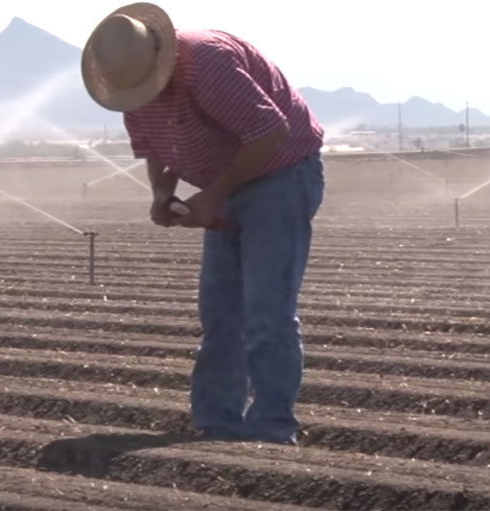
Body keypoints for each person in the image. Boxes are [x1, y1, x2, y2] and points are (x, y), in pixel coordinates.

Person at [81, 2, 325, 445]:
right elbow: (155, 147)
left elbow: (270, 132)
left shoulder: (208, 63)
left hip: (280, 177)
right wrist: (161, 195)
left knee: (267, 310)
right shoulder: (130, 84)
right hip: (224, 180)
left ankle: (273, 428)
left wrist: (212, 195)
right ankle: (217, 425)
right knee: (221, 313)